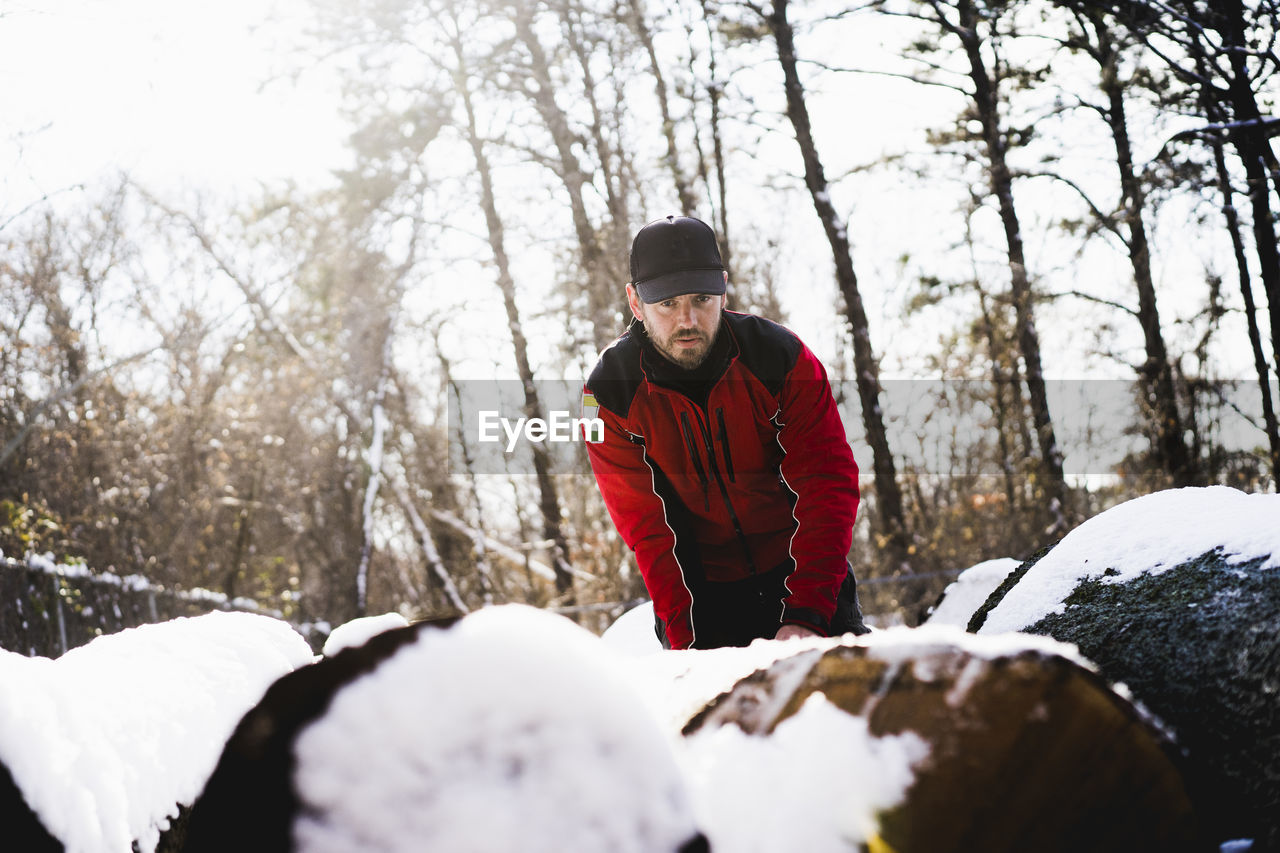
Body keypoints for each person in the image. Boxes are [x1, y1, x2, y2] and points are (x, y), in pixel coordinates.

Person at [583, 215, 869, 650]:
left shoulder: (781, 357)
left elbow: (826, 483)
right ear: (636, 303)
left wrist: (807, 614)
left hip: (802, 573)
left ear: (723, 287)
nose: (687, 320)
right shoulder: (606, 396)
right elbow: (647, 530)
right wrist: (685, 645)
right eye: (667, 304)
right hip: (702, 597)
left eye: (702, 298)